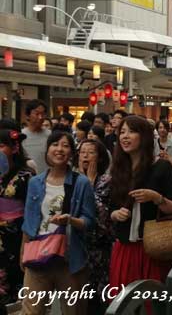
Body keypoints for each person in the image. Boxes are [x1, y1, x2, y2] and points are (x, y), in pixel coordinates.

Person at [20, 131, 96, 315]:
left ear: (71, 153)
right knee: (31, 310)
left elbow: (89, 221)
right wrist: (23, 250)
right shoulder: (36, 182)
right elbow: (29, 220)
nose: (59, 149)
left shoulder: (81, 183)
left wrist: (70, 220)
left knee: (73, 310)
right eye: (55, 144)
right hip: (38, 254)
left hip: (69, 258)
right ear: (47, 150)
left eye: (65, 145)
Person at [107, 115, 172, 298]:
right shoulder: (118, 169)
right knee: (124, 302)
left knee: (152, 303)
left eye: (131, 131)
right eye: (122, 132)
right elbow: (110, 209)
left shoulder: (161, 167)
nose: (125, 136)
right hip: (124, 248)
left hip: (154, 248)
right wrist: (116, 214)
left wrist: (157, 198)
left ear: (145, 136)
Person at [75, 139, 112, 315]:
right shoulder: (72, 177)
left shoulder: (106, 180)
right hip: (77, 244)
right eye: (82, 152)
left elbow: (103, 214)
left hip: (99, 246)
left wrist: (89, 183)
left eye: (91, 152)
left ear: (100, 157)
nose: (86, 156)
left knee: (98, 295)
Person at [0, 128, 33, 307]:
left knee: (14, 281)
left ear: (15, 148)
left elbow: (32, 210)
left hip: (15, 236)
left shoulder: (26, 175)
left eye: (2, 145)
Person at [21, 99, 50, 173]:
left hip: (46, 177)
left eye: (43, 114)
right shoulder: (21, 135)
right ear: (28, 115)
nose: (40, 117)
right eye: (36, 114)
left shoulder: (50, 135)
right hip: (27, 178)